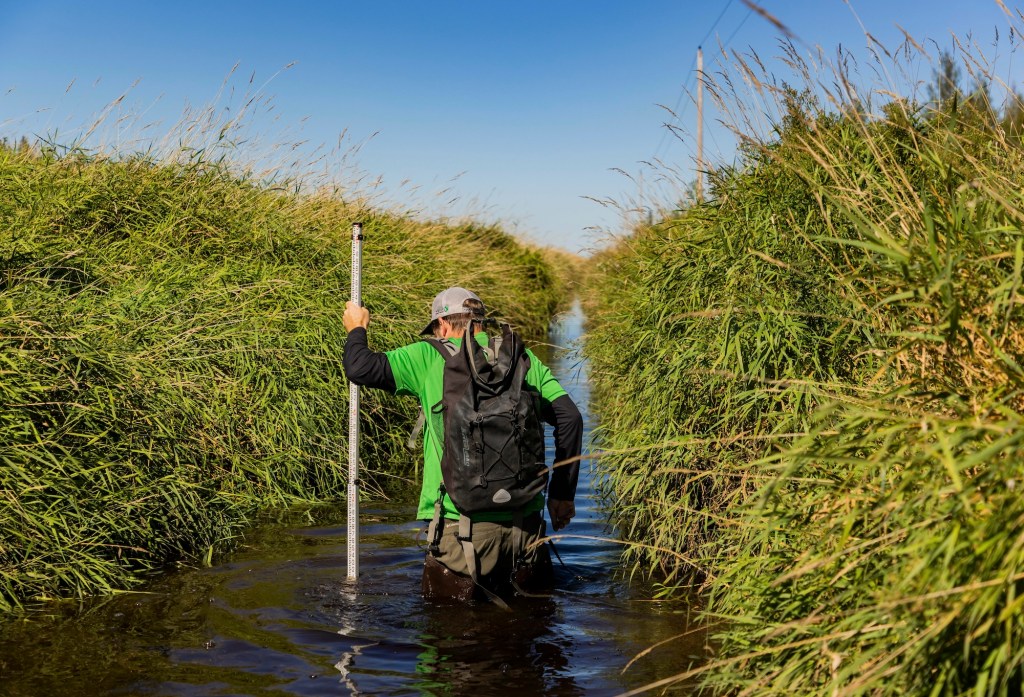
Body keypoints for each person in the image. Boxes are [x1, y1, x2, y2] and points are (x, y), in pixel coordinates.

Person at [342, 286, 582, 604]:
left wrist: (357, 327)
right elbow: (570, 418)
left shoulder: (428, 355)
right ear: (481, 323)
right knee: (530, 630)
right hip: (526, 531)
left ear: (441, 326)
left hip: (459, 532)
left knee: (448, 637)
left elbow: (359, 368)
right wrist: (561, 497)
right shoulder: (520, 358)